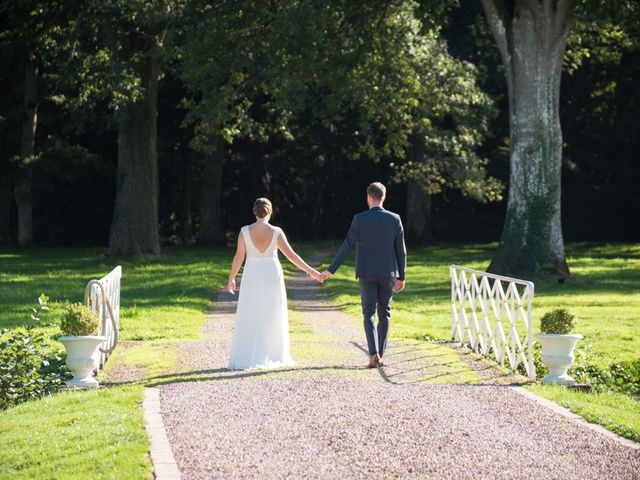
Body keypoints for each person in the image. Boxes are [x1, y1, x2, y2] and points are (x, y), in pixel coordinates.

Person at [227, 197, 322, 370]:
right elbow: (292, 256)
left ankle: (247, 355)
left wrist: (231, 278)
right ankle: (273, 353)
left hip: (252, 273)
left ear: (254, 211)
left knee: (251, 310)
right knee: (272, 311)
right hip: (272, 273)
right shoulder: (276, 231)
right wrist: (312, 271)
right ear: (270, 212)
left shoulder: (244, 231)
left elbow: (238, 258)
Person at [321, 182, 406, 368]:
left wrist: (331, 269)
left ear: (369, 197)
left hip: (366, 273)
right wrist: (402, 276)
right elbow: (401, 251)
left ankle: (373, 354)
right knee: (385, 313)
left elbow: (346, 246)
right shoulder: (395, 219)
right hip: (388, 273)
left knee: (369, 313)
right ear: (383, 197)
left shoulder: (359, 219)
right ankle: (380, 355)